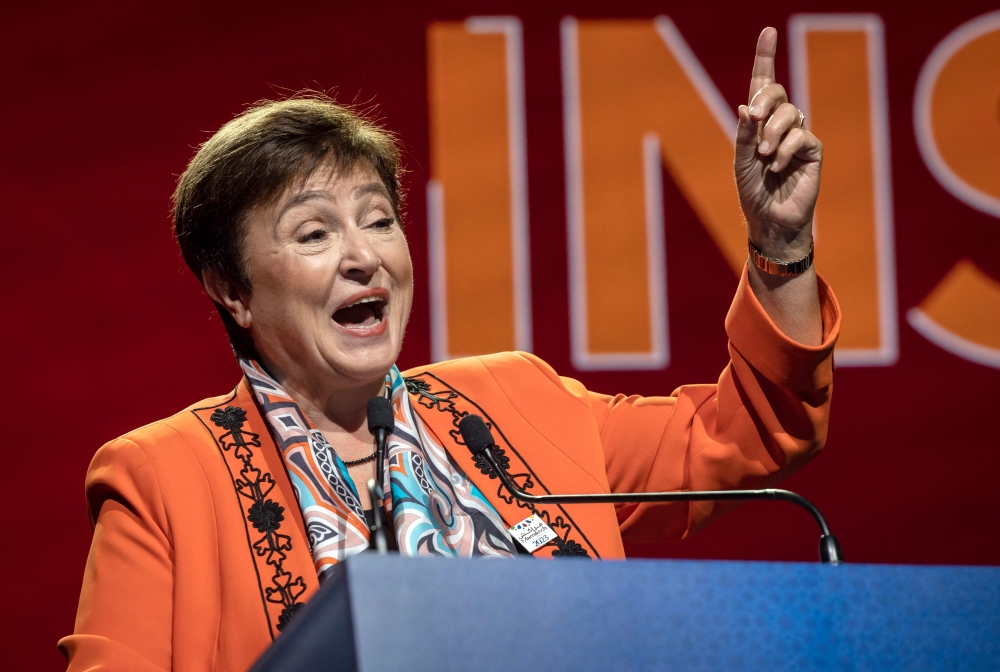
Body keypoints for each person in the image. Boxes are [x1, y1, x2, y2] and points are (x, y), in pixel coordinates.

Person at [60, 26, 838, 672]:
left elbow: (747, 434)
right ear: (231, 287)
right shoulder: (160, 479)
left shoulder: (518, 401)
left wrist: (781, 244)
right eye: (314, 233)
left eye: (377, 218)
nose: (363, 255)